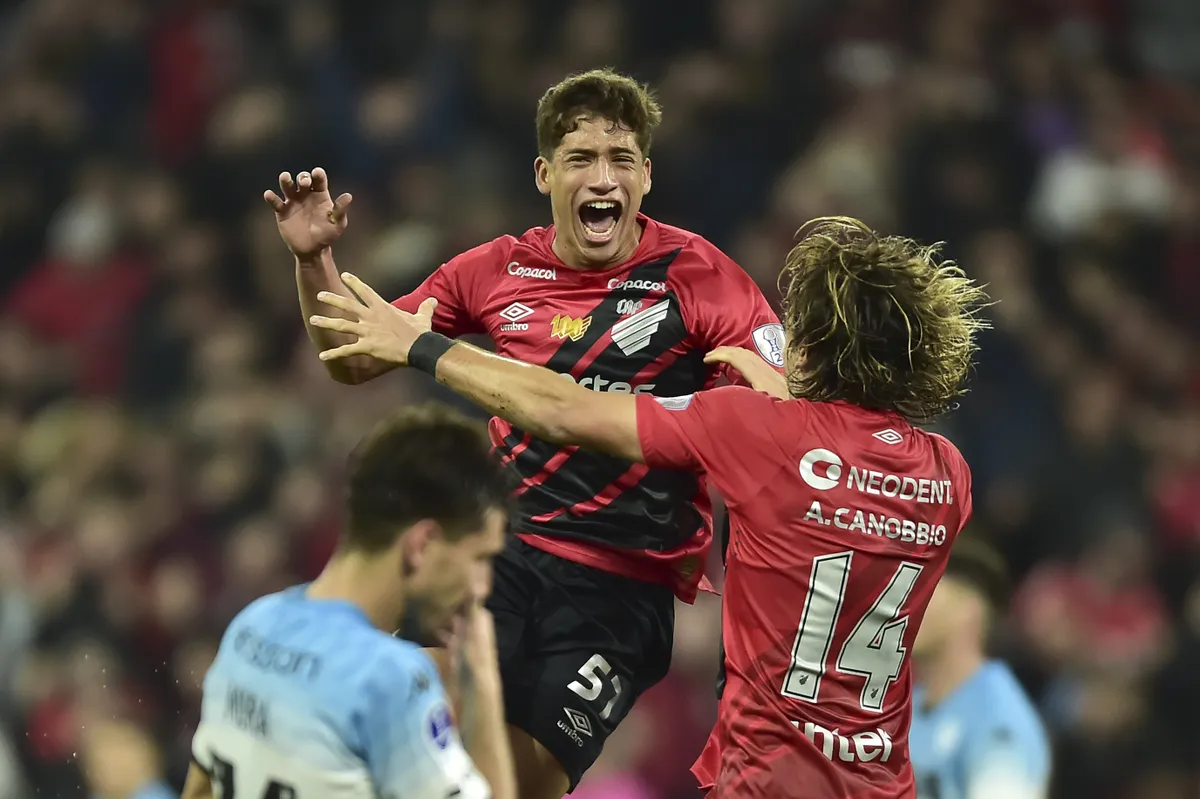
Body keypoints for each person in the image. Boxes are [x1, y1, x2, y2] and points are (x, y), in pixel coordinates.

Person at [306, 215, 989, 798]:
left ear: (811, 346)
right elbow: (849, 473)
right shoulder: (949, 476)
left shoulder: (754, 429)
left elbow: (565, 408)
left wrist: (422, 346)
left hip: (766, 777)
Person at [266, 68, 784, 797]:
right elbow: (353, 358)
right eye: (580, 159)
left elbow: (780, 416)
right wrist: (313, 261)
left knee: (504, 787)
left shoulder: (703, 278)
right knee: (411, 746)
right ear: (545, 174)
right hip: (496, 554)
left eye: (621, 160)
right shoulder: (497, 268)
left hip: (619, 594)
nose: (602, 177)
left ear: (646, 176)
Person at [180, 405, 516, 799]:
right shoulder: (388, 678)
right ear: (422, 544)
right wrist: (482, 680)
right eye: (480, 558)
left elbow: (200, 791)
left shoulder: (252, 626)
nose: (481, 586)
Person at [908, 538, 1051, 799]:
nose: (907, 607)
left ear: (968, 610)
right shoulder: (911, 705)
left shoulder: (999, 722)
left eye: (924, 592)